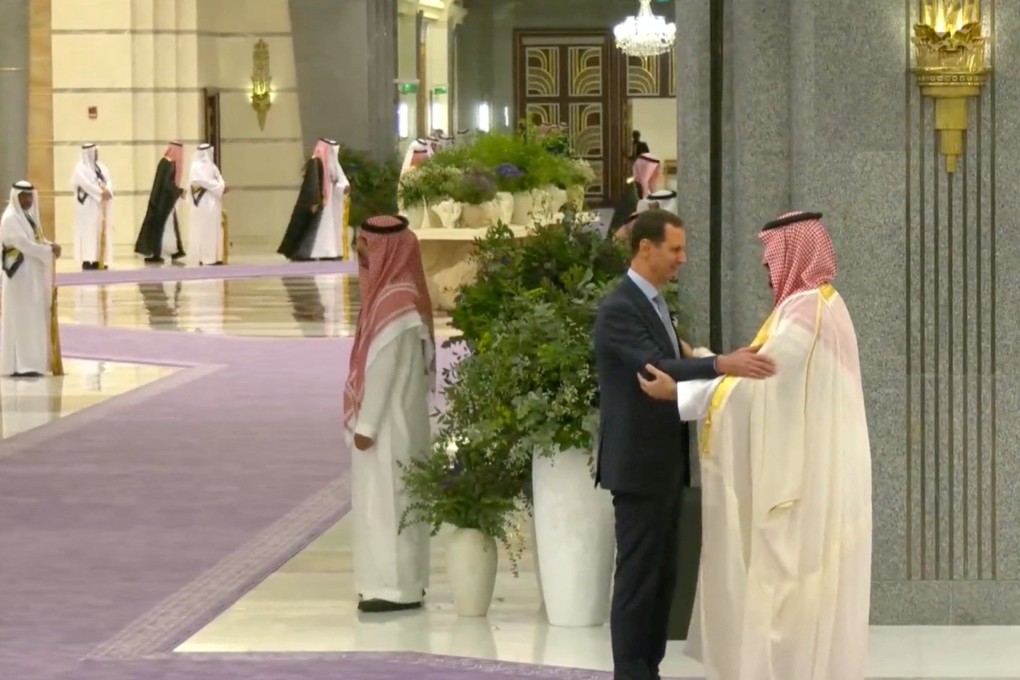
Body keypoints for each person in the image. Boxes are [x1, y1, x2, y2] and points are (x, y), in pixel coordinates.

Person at [638, 211, 873, 680]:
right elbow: (754, 368)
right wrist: (704, 359)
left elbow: (755, 383)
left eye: (772, 256)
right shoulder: (812, 307)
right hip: (805, 472)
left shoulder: (809, 312)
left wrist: (678, 392)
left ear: (796, 254)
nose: (767, 268)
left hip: (800, 484)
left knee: (787, 596)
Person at [593, 208, 776, 680]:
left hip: (665, 466)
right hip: (637, 468)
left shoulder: (653, 302)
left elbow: (677, 357)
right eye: (675, 249)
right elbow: (654, 368)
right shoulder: (620, 307)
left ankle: (648, 667)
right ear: (645, 248)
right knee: (638, 578)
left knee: (661, 577)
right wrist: (722, 366)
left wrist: (709, 359)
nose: (683, 258)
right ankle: (631, 672)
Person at [343, 214, 434, 613]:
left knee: (388, 506)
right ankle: (401, 583)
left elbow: (382, 370)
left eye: (365, 245)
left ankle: (393, 588)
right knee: (394, 503)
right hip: (400, 423)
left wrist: (365, 426)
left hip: (387, 428)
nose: (360, 252)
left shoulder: (393, 305)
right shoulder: (401, 295)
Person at [0, 181, 62, 377]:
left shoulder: (28, 217)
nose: (27, 200)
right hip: (19, 276)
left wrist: (51, 245)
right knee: (21, 318)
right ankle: (20, 365)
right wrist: (48, 251)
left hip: (32, 276)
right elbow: (24, 245)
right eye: (23, 197)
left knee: (33, 316)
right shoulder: (10, 218)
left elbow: (37, 239)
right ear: (16, 197)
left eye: (29, 196)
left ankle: (33, 363)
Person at [278, 139, 330, 261]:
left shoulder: (319, 164)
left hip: (314, 201)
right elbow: (313, 185)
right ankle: (301, 253)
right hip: (312, 202)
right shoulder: (315, 163)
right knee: (306, 230)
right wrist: (315, 201)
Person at [135, 141, 186, 264]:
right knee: (164, 228)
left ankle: (172, 251)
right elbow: (167, 185)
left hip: (164, 202)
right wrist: (179, 191)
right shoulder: (167, 164)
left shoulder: (165, 163)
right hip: (163, 203)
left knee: (168, 227)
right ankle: (161, 252)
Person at [71, 143, 113, 270]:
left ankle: (99, 259)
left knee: (100, 230)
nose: (96, 154)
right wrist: (100, 193)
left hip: (100, 205)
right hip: (87, 206)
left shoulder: (102, 167)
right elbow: (85, 184)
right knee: (88, 231)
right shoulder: (80, 168)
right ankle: (88, 260)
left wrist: (108, 190)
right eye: (93, 152)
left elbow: (109, 180)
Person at [187, 143, 228, 266]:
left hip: (213, 202)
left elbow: (219, 179)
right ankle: (205, 258)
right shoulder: (195, 167)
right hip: (202, 203)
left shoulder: (213, 167)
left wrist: (221, 186)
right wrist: (219, 187)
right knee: (204, 230)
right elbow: (202, 182)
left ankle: (216, 257)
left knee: (215, 229)